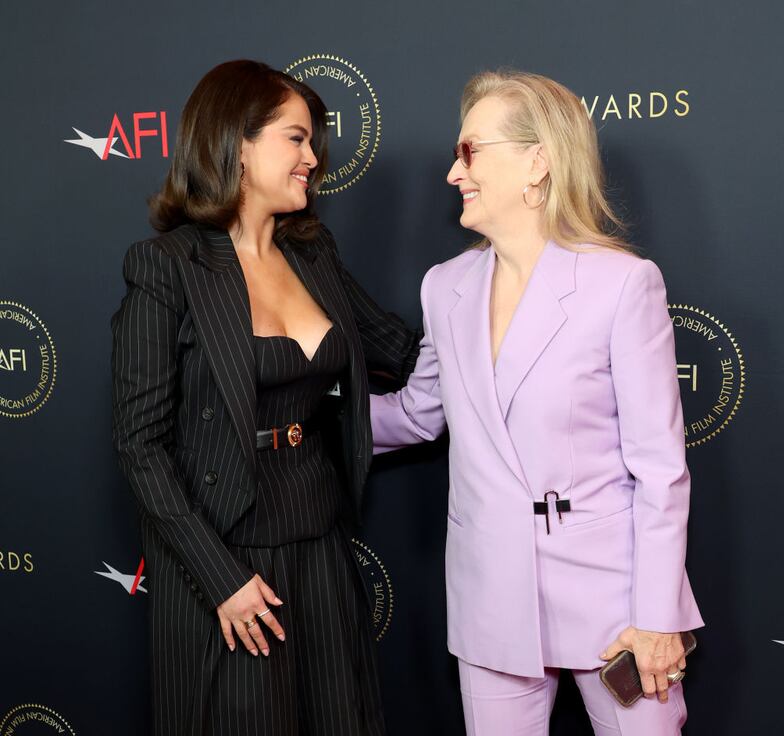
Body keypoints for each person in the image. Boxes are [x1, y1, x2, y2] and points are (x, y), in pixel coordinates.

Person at [369, 70, 703, 735]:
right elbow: (419, 412)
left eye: (469, 151)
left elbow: (659, 467)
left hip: (617, 600)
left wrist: (659, 617)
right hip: (491, 593)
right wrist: (301, 418)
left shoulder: (621, 285)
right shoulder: (446, 287)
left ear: (537, 161)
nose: (451, 173)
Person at [111, 60, 419, 736]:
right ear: (236, 145)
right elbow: (141, 446)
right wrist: (220, 578)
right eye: (296, 138)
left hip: (321, 544)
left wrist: (506, 294)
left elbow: (399, 353)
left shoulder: (313, 253)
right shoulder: (169, 267)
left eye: (314, 142)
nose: (313, 158)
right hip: (222, 558)